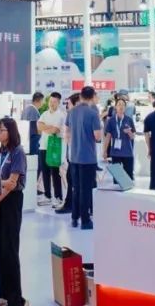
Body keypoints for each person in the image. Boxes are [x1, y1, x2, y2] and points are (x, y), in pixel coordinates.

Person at [0, 118, 26, 306]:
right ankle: (2, 292)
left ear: (10, 131)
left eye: (1, 130)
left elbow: (12, 183)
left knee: (10, 248)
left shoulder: (17, 152)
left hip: (11, 201)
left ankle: (15, 297)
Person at [67, 86, 102, 229]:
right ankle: (85, 220)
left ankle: (74, 218)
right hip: (88, 157)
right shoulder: (93, 113)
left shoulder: (72, 112)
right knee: (86, 190)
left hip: (74, 156)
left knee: (76, 188)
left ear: (81, 96)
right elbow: (97, 136)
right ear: (92, 97)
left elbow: (67, 132)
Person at [37, 92, 64, 207]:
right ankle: (47, 196)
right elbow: (39, 127)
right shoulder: (44, 113)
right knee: (45, 172)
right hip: (43, 146)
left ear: (58, 102)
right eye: (50, 101)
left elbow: (55, 130)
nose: (51, 104)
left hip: (54, 147)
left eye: (54, 102)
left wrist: (46, 127)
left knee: (55, 173)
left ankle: (58, 197)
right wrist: (49, 127)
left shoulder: (61, 115)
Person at [55, 92, 79, 215]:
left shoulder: (75, 116)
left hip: (77, 157)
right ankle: (70, 204)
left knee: (74, 181)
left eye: (69, 104)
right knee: (71, 180)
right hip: (72, 155)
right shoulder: (71, 116)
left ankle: (72, 205)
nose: (67, 106)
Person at [104, 96, 136, 180]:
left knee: (128, 179)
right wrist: (105, 151)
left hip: (127, 152)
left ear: (125, 107)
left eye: (123, 105)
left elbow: (133, 137)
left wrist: (129, 132)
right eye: (119, 105)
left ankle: (127, 188)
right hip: (115, 152)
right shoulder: (111, 120)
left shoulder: (129, 120)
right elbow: (108, 137)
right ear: (115, 107)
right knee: (117, 179)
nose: (121, 107)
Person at [24, 92, 43, 156]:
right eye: (42, 101)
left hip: (27, 140)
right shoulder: (33, 110)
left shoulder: (26, 109)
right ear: (40, 100)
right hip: (34, 140)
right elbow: (38, 127)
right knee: (34, 159)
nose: (42, 104)